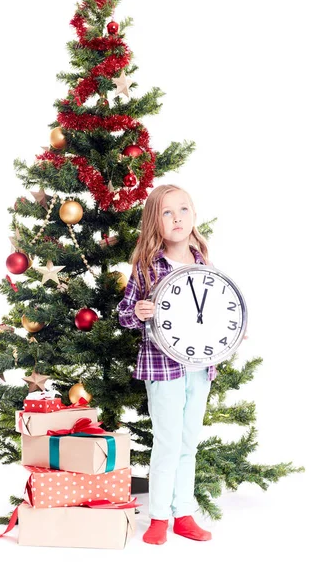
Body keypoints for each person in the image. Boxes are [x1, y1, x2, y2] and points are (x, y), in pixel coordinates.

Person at [117, 184, 216, 545]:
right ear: (154, 222)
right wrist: (139, 312)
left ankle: (183, 513)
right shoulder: (147, 266)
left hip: (201, 366)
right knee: (168, 442)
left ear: (193, 215)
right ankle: (158, 516)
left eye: (183, 210)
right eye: (167, 213)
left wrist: (229, 329)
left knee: (189, 442)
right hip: (163, 367)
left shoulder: (202, 261)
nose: (177, 218)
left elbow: (213, 310)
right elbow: (124, 314)